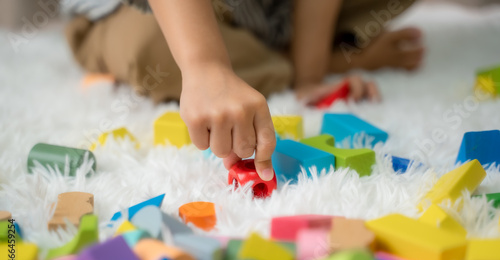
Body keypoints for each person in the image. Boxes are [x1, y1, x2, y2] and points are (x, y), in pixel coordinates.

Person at [64, 0, 423, 181]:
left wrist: (310, 76)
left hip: (266, 12)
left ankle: (275, 53)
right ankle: (321, 52)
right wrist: (206, 65)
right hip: (136, 10)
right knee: (154, 48)